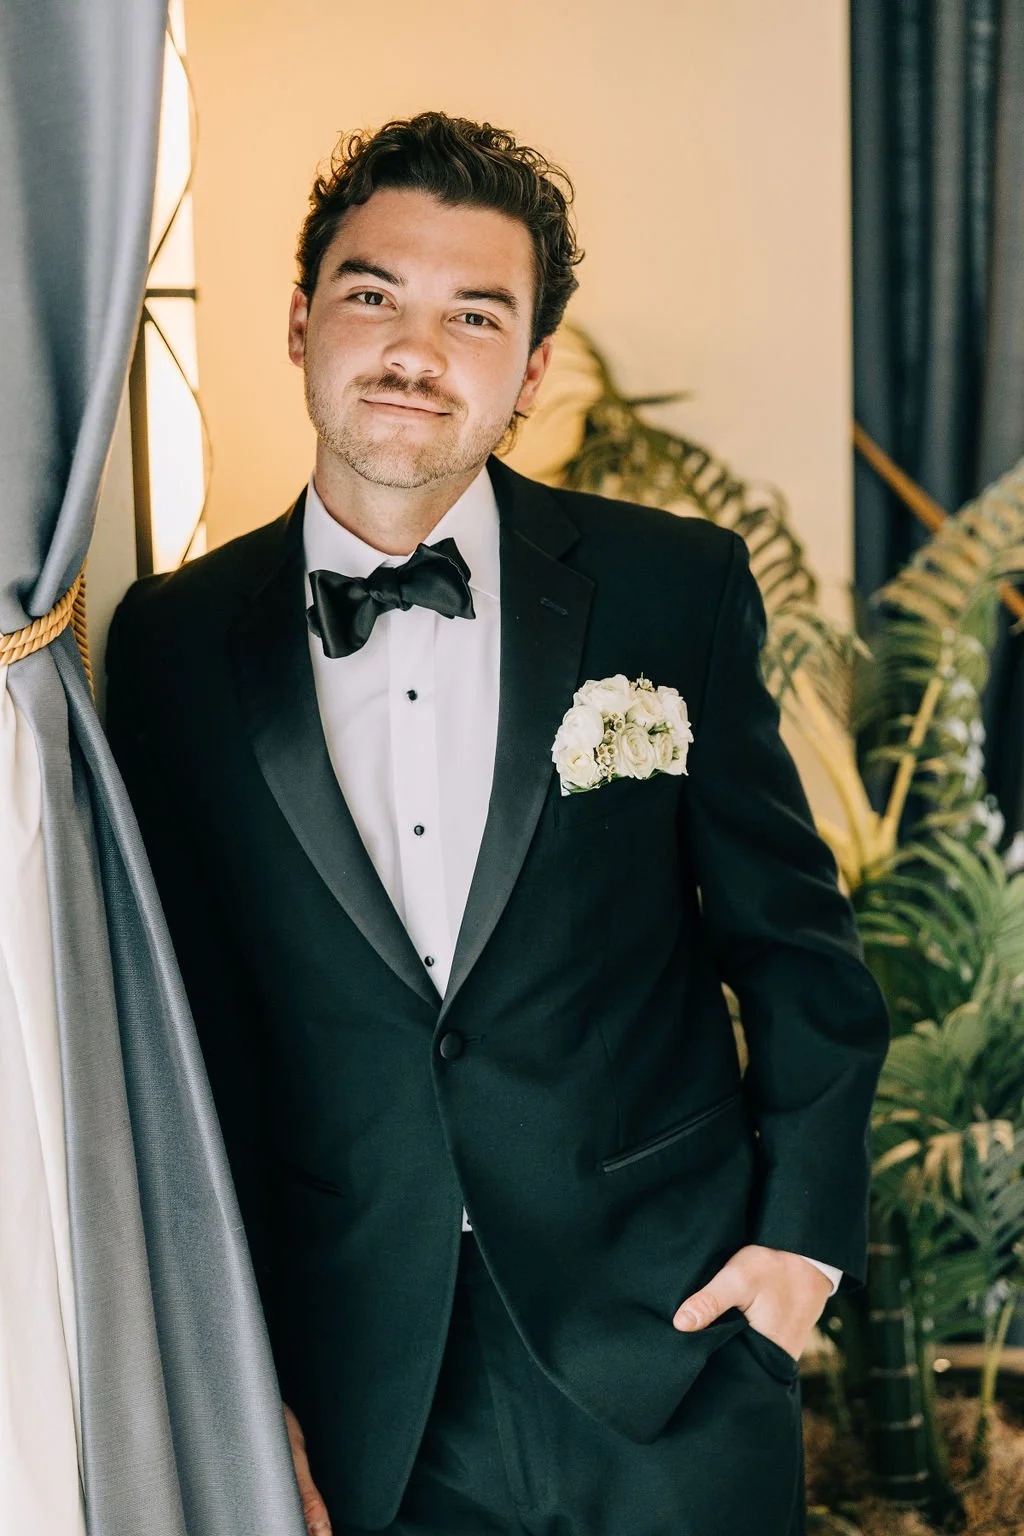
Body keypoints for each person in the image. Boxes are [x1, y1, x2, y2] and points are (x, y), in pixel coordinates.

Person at [104, 112, 890, 1536]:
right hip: (366, 1385)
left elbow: (797, 950)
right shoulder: (170, 642)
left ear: (527, 375)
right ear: (299, 324)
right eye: (372, 295)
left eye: (474, 316)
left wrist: (798, 1256)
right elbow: (191, 1035)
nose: (416, 351)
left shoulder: (671, 590)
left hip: (679, 1340)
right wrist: (236, 1371)